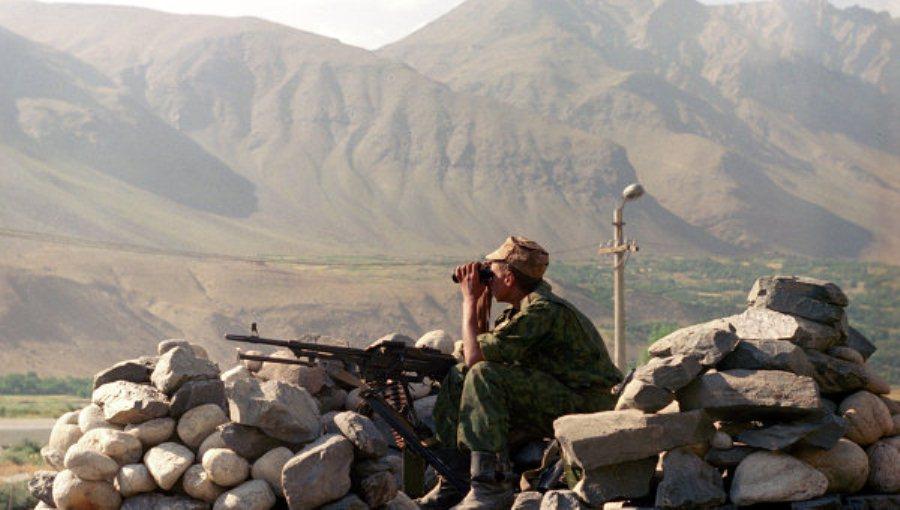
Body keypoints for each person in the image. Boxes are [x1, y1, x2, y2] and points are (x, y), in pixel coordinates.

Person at [418, 236, 623, 510]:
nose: (487, 279)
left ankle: (491, 488)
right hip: (561, 394)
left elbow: (477, 358)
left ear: (510, 279)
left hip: (587, 403)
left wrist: (467, 301)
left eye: (491, 274)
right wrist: (480, 302)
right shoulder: (522, 310)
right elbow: (478, 351)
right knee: (459, 375)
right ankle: (454, 482)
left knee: (483, 375)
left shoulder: (543, 311)